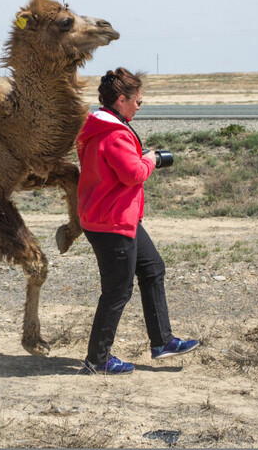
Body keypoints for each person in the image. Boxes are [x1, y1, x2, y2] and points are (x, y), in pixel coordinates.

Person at [76, 67, 199, 375]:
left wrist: (139, 157)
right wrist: (152, 159)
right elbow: (133, 174)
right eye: (138, 101)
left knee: (153, 268)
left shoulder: (105, 128)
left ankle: (163, 342)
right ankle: (97, 360)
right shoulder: (114, 133)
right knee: (117, 291)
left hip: (116, 217)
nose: (140, 106)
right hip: (111, 222)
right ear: (121, 100)